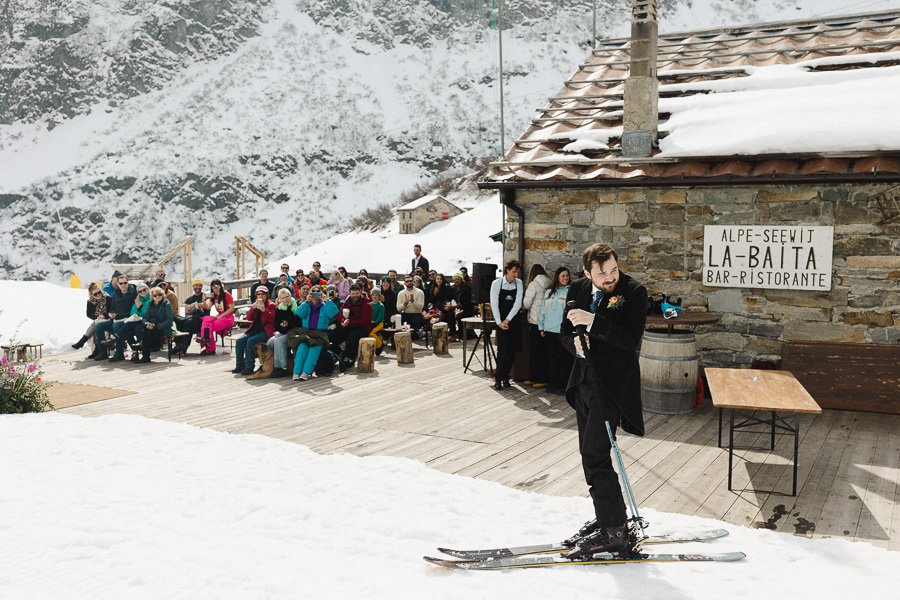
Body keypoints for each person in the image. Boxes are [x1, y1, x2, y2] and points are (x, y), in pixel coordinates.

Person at [559, 243, 647, 558]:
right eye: (602, 272)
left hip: (612, 388)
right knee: (589, 454)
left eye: (613, 269)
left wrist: (593, 322)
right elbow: (564, 331)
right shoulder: (579, 288)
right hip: (583, 382)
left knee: (596, 454)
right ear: (587, 273)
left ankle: (614, 534)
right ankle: (610, 517)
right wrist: (575, 344)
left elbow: (630, 339)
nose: (610, 277)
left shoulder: (634, 292)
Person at [489, 259, 523, 389]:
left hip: (513, 321)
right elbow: (494, 303)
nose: (516, 275)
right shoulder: (496, 283)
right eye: (514, 272)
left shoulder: (519, 283)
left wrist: (507, 320)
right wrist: (499, 322)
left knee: (512, 351)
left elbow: (518, 303)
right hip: (501, 321)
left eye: (517, 272)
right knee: (503, 351)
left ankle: (506, 377)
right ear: (507, 270)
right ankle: (498, 378)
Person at [538, 266, 573, 394]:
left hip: (562, 331)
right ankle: (552, 383)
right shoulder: (549, 293)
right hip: (549, 330)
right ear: (557, 277)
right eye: (563, 275)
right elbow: (543, 310)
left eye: (567, 275)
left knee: (564, 359)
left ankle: (563, 385)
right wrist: (541, 326)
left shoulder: (570, 291)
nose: (565, 278)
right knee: (552, 359)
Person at [292, 289, 339, 381]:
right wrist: (306, 302)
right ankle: (296, 372)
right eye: (313, 293)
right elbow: (298, 313)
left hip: (320, 334)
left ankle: (306, 372)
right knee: (302, 348)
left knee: (314, 350)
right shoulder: (306, 305)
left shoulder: (324, 306)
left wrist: (327, 300)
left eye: (318, 293)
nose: (315, 295)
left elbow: (333, 313)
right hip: (307, 333)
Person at [233, 286, 275, 376]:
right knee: (240, 341)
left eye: (262, 294)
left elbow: (273, 320)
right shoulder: (256, 304)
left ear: (266, 295)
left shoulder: (271, 305)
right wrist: (253, 309)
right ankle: (240, 364)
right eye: (258, 294)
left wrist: (264, 310)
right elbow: (249, 318)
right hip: (254, 330)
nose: (260, 296)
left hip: (266, 331)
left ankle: (249, 366)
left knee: (250, 341)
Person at [94, 275, 137, 361]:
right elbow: (112, 307)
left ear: (128, 283)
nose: (123, 285)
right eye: (121, 283)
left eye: (125, 283)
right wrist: (111, 313)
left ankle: (119, 353)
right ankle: (103, 352)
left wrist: (117, 316)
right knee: (99, 326)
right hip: (116, 319)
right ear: (118, 284)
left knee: (117, 326)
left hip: (128, 320)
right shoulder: (116, 293)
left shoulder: (133, 293)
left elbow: (132, 311)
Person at [522, 264, 551, 388]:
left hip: (535, 321)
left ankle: (537, 378)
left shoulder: (533, 284)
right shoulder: (550, 283)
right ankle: (543, 377)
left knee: (535, 352)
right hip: (547, 322)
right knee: (544, 352)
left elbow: (526, 303)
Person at [330, 283, 373, 366]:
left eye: (357, 293)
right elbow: (340, 314)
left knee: (352, 338)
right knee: (335, 335)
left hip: (362, 328)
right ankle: (337, 353)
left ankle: (349, 358)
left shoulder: (366, 304)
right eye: (353, 293)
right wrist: (343, 321)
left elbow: (365, 322)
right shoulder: (348, 302)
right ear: (350, 293)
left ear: (360, 292)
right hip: (349, 325)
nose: (355, 295)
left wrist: (349, 323)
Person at [132, 286, 175, 363]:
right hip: (151, 325)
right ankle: (142, 347)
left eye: (159, 295)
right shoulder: (150, 304)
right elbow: (145, 317)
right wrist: (146, 324)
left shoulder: (166, 304)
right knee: (139, 327)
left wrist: (156, 326)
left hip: (161, 327)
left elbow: (169, 321)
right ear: (152, 296)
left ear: (162, 295)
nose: (157, 297)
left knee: (148, 332)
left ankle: (145, 353)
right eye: (155, 295)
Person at [267, 287, 300, 378]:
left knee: (279, 341)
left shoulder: (296, 306)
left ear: (291, 296)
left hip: (296, 333)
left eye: (287, 296)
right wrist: (283, 326)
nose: (286, 299)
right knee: (270, 341)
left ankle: (281, 367)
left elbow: (296, 323)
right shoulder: (280, 308)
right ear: (280, 300)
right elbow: (277, 325)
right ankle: (269, 364)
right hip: (285, 332)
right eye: (283, 298)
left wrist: (289, 309)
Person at [198, 279, 235, 355]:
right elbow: (208, 307)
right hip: (220, 317)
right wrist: (204, 300)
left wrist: (221, 315)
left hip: (228, 317)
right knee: (206, 319)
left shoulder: (226, 295)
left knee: (209, 327)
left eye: (217, 284)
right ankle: (206, 340)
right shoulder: (213, 296)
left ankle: (210, 347)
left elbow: (232, 308)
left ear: (220, 286)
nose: (215, 286)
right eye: (213, 285)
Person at [73, 282, 109, 357]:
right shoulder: (90, 302)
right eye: (95, 294)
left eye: (99, 292)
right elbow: (88, 314)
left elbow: (112, 310)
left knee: (96, 324)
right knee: (96, 324)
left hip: (107, 319)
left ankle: (83, 341)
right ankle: (96, 349)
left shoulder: (107, 298)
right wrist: (97, 317)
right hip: (98, 320)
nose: (98, 295)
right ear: (91, 295)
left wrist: (103, 316)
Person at [451, 271, 475, 341]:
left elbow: (468, 301)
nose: (456, 281)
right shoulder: (453, 288)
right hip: (457, 307)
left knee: (462, 315)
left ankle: (466, 334)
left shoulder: (467, 287)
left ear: (461, 279)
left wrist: (458, 306)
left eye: (457, 279)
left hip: (466, 307)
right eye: (454, 280)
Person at [369, 287, 385, 355]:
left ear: (379, 296)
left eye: (376, 295)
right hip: (371, 322)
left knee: (371, 333)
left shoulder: (381, 306)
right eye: (373, 295)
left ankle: (379, 345)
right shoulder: (369, 304)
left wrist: (375, 323)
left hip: (379, 322)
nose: (374, 296)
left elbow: (380, 316)